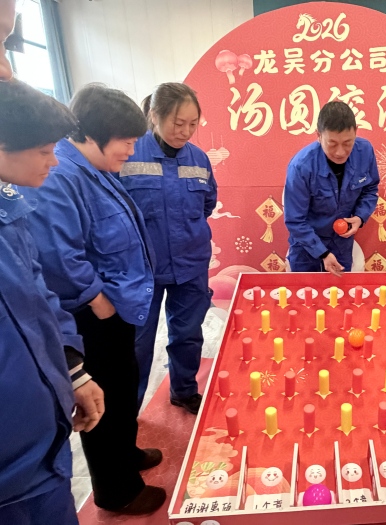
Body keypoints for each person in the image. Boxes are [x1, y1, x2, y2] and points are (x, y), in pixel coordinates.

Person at [24, 84, 166, 514]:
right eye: (126, 141)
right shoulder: (60, 177)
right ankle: (116, 491)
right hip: (92, 316)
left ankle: (126, 455)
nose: (131, 150)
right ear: (92, 135)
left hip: (116, 306)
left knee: (122, 390)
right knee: (103, 399)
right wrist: (96, 300)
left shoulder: (95, 168)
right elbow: (58, 256)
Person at [0, 8, 104, 523]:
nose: (5, 67)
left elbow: (39, 300)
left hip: (43, 443)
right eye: (44, 150)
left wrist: (73, 374)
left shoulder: (11, 209)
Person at [118, 82, 217, 414]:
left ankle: (184, 391)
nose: (185, 132)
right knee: (137, 344)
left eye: (193, 124)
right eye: (178, 123)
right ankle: (127, 414)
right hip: (141, 268)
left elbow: (207, 204)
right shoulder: (129, 154)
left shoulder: (199, 159)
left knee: (187, 334)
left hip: (190, 262)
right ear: (154, 115)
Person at [284, 101, 379, 277]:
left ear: (356, 131)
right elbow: (295, 221)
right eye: (332, 144)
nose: (340, 152)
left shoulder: (365, 152)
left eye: (348, 143)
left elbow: (370, 189)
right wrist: (322, 253)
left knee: (339, 292)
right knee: (306, 293)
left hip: (342, 244)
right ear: (319, 136)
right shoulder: (301, 166)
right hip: (306, 247)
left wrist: (360, 217)